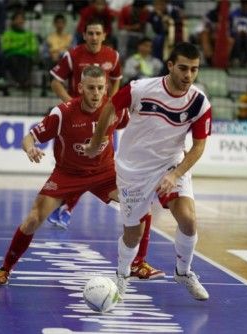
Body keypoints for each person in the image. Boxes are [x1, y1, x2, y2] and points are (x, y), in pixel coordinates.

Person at [0, 66, 164, 286]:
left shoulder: (114, 108)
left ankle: (138, 264)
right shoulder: (64, 112)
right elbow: (29, 138)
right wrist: (31, 149)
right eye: (90, 88)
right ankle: (5, 270)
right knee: (33, 219)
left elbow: (135, 123)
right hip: (67, 174)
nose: (96, 93)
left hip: (104, 173)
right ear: (80, 88)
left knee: (140, 203)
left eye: (100, 88)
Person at [85, 42, 212, 301]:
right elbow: (110, 108)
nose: (189, 75)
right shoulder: (141, 89)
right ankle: (121, 275)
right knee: (134, 233)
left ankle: (183, 271)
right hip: (133, 170)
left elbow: (198, 147)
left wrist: (175, 174)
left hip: (171, 165)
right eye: (183, 68)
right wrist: (98, 141)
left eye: (194, 70)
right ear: (170, 66)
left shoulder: (199, 102)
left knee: (188, 219)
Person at [48, 17, 122, 227]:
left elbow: (116, 80)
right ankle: (64, 208)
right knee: (79, 165)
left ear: (104, 35)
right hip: (78, 120)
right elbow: (55, 81)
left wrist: (112, 104)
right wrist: (71, 105)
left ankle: (65, 209)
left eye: (98, 33)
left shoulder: (113, 56)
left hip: (104, 119)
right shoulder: (73, 55)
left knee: (94, 165)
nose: (94, 37)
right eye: (90, 33)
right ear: (84, 35)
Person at [0, 11, 39, 89]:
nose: (20, 21)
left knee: (26, 60)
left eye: (22, 19)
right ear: (13, 21)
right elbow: (6, 47)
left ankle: (20, 82)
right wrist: (22, 45)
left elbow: (34, 48)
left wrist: (15, 47)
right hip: (12, 56)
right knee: (14, 59)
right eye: (17, 19)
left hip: (26, 56)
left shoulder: (29, 34)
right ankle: (24, 82)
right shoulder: (7, 34)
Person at [229, 0, 247, 67]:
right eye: (244, 3)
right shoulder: (233, 14)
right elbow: (229, 28)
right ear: (241, 4)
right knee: (237, 38)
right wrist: (235, 32)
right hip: (236, 35)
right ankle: (236, 59)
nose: (246, 6)